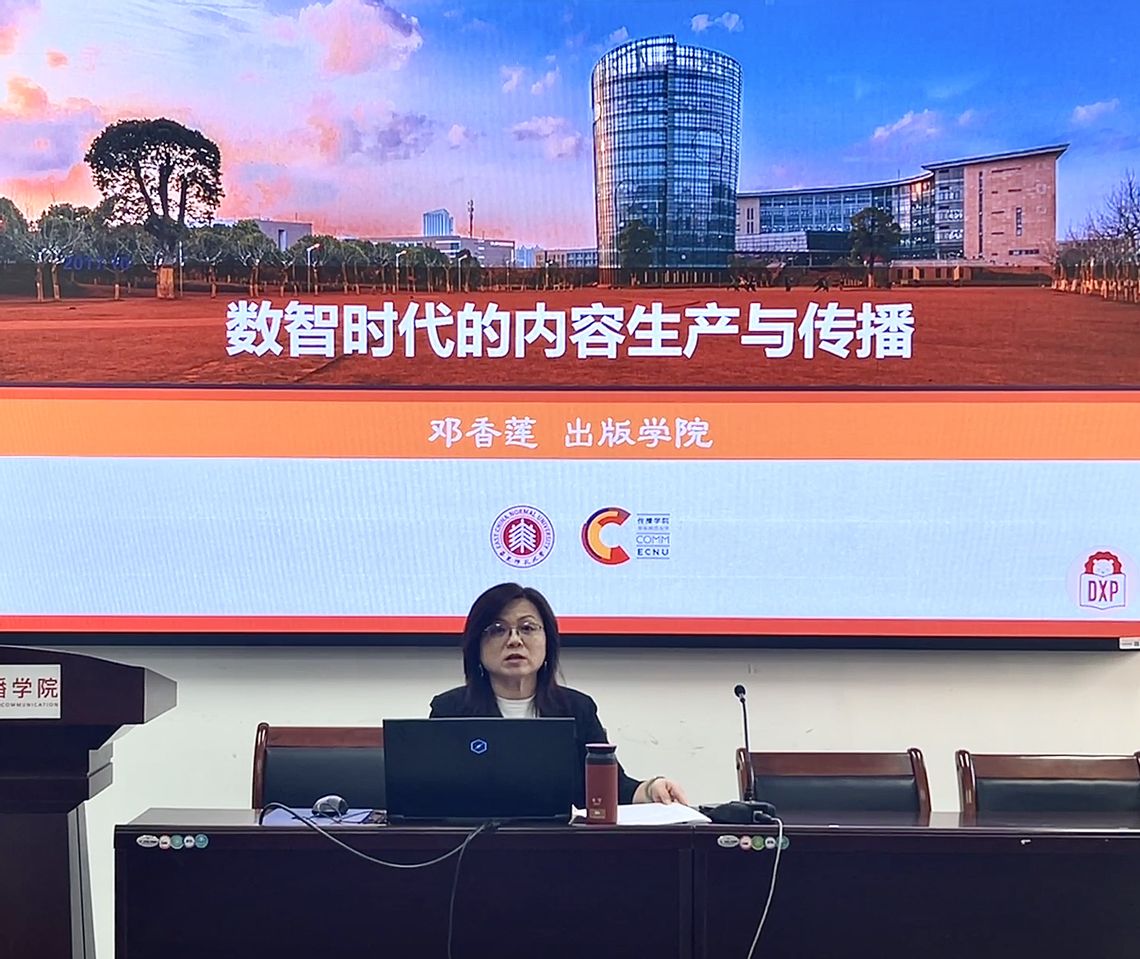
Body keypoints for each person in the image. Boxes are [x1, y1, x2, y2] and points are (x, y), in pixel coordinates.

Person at [429, 582, 688, 809]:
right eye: (498, 629)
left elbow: (611, 789)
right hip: (477, 843)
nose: (514, 640)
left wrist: (652, 788)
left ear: (548, 641)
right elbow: (432, 795)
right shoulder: (450, 710)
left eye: (527, 628)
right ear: (476, 645)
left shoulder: (576, 708)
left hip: (558, 843)